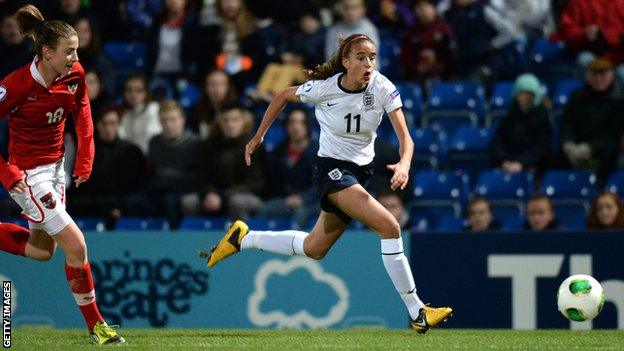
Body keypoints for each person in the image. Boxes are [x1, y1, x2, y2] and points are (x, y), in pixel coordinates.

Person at [201, 33, 452, 333]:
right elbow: (282, 95)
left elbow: (406, 139)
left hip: (360, 173)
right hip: (332, 171)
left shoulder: (383, 88)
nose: (368, 63)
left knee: (314, 248)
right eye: (360, 57)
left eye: (372, 57)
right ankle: (417, 311)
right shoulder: (323, 89)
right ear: (346, 62)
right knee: (390, 226)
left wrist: (405, 164)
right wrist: (259, 135)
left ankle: (244, 238)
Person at [0, 5, 124, 345]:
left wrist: (85, 158)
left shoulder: (75, 74)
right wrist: (7, 172)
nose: (75, 56)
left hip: (56, 170)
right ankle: (97, 326)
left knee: (42, 251)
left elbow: (82, 113)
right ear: (47, 52)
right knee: (77, 245)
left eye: (77, 50)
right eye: (69, 51)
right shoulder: (16, 85)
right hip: (28, 176)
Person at [559, 58, 624, 185]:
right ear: (588, 76)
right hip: (576, 152)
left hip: (604, 156)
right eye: (595, 74)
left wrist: (590, 148)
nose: (599, 79)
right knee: (558, 160)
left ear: (612, 75)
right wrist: (568, 144)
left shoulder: (620, 101)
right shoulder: (577, 97)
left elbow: (614, 137)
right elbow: (567, 126)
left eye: (603, 74)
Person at [489, 73, 551, 175]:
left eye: (530, 94)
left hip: (533, 167)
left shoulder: (542, 119)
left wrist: (521, 163)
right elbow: (497, 143)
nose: (526, 98)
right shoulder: (510, 116)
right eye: (522, 93)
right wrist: (504, 161)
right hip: (508, 164)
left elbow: (541, 149)